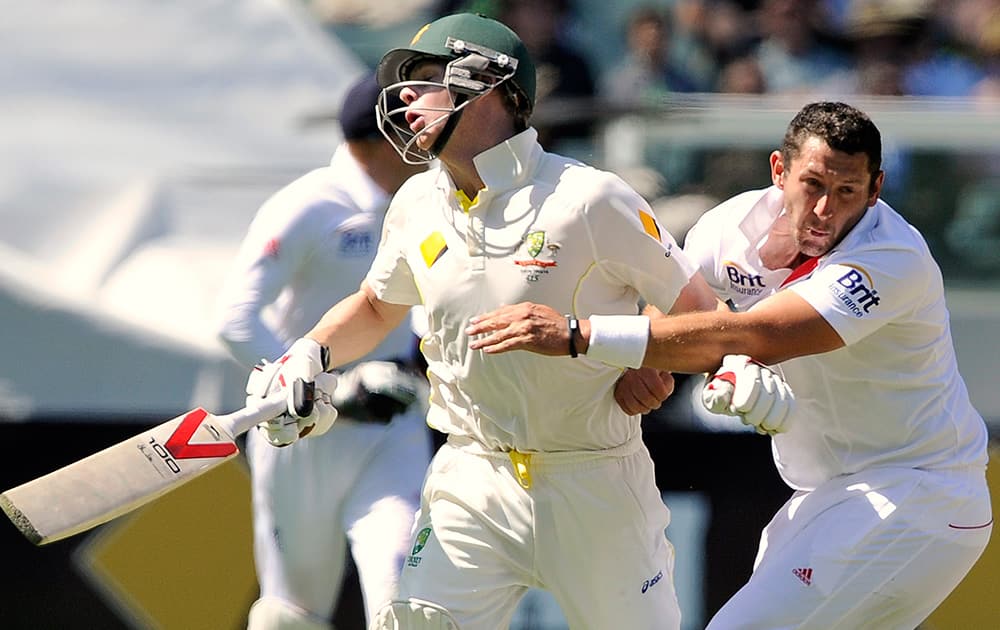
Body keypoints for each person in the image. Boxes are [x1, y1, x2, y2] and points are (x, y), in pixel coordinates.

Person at [238, 12, 788, 630]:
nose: (405, 101)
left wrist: (652, 361)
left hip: (593, 478)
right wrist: (306, 353)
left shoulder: (588, 198)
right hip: (470, 475)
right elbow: (374, 306)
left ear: (492, 86)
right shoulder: (417, 201)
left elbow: (696, 314)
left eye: (425, 80)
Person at [467, 101, 994, 629]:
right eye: (812, 185)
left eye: (847, 192)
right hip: (824, 497)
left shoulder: (892, 257)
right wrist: (651, 369)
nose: (824, 210)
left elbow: (763, 333)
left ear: (875, 189)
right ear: (779, 171)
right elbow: (680, 304)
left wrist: (580, 335)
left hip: (915, 493)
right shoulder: (727, 228)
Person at [215, 73, 432, 629]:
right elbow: (236, 319)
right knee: (294, 614)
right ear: (382, 140)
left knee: (402, 593)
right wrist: (319, 387)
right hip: (302, 435)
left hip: (391, 427)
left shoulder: (430, 204)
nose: (429, 137)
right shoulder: (312, 204)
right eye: (413, 125)